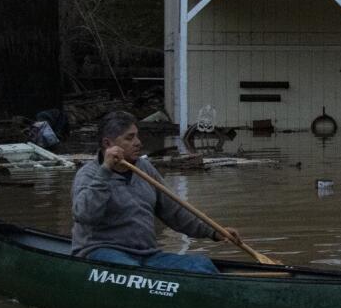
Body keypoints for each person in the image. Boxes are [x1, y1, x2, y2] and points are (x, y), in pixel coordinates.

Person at [71, 111, 240, 273]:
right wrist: (106, 170)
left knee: (201, 265)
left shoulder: (144, 169)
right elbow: (85, 215)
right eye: (129, 138)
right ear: (108, 144)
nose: (138, 143)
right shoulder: (89, 175)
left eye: (137, 136)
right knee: (132, 272)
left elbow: (175, 211)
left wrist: (213, 231)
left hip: (146, 255)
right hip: (101, 252)